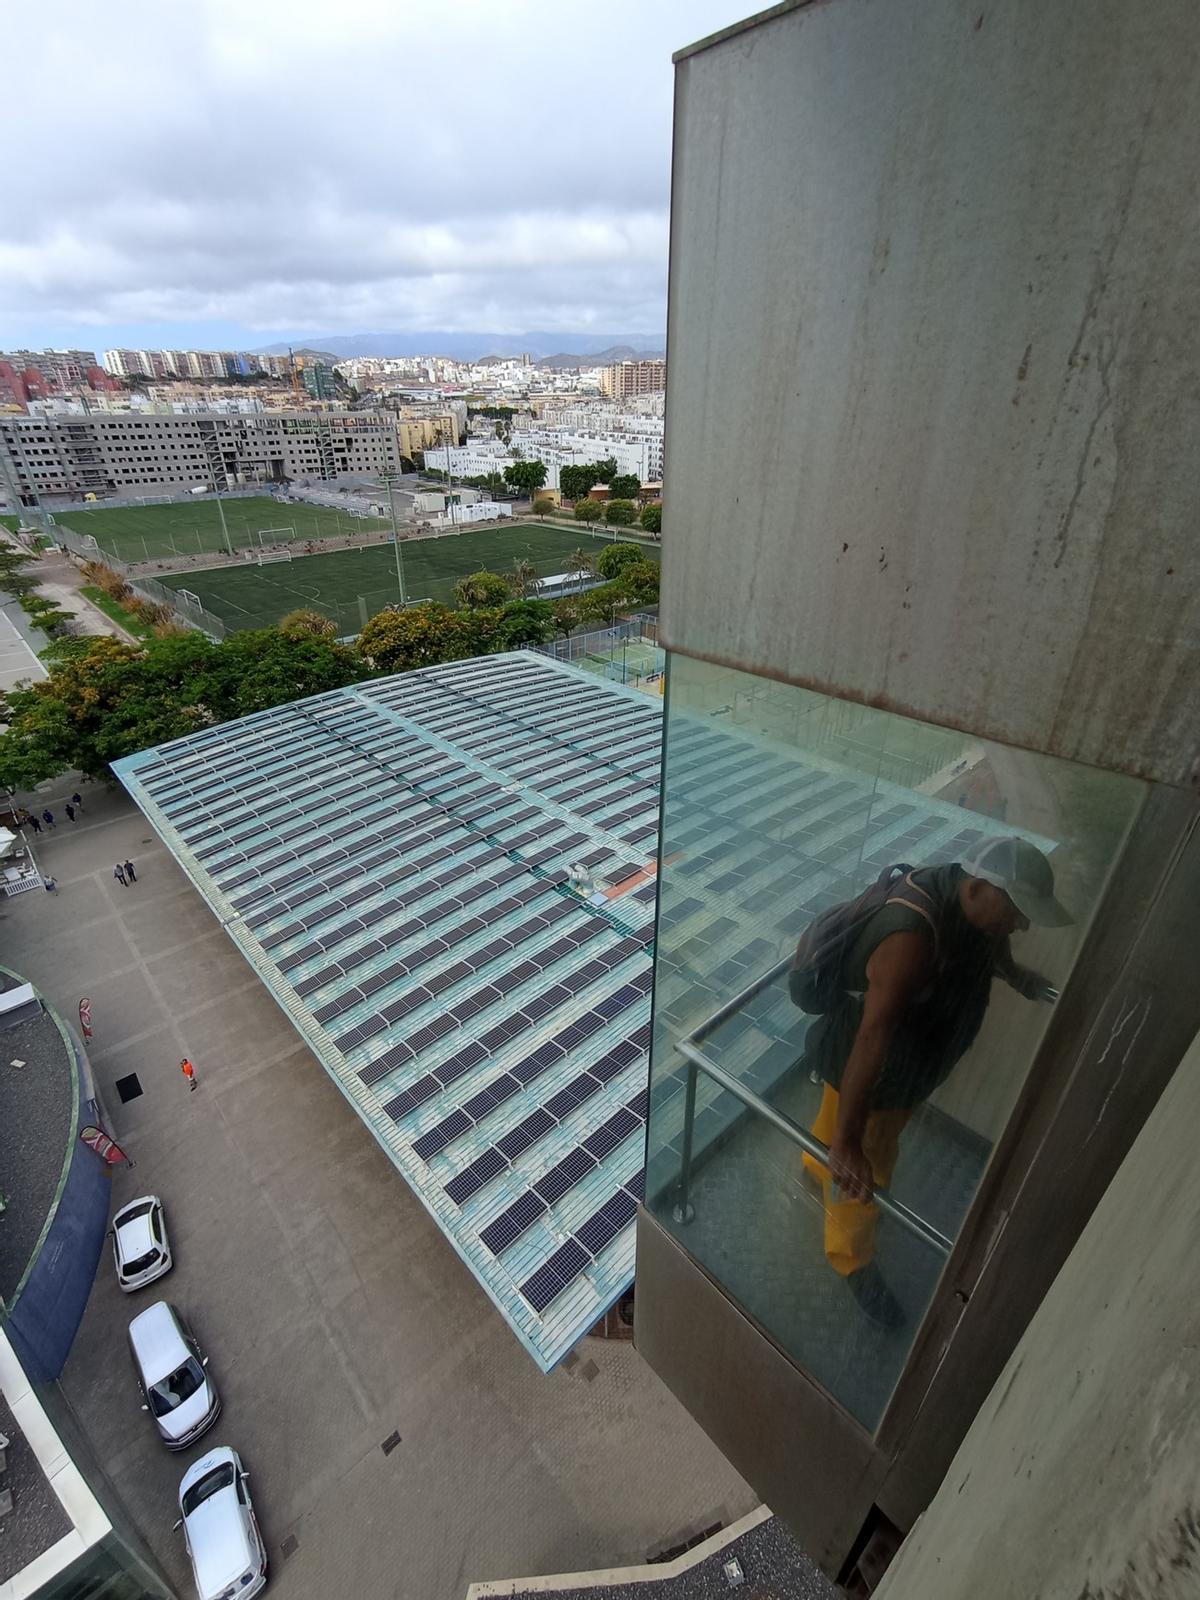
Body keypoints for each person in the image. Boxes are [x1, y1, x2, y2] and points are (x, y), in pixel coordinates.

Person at [799, 836, 1069, 1330]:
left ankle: (813, 1164)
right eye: (1017, 909)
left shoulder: (959, 892)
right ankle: (850, 1259)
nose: (1023, 922)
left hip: (887, 1068)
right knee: (868, 1167)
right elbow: (872, 1038)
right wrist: (850, 1144)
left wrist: (1018, 977)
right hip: (876, 1079)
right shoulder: (910, 941)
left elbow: (991, 944)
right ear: (981, 887)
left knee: (834, 1117)